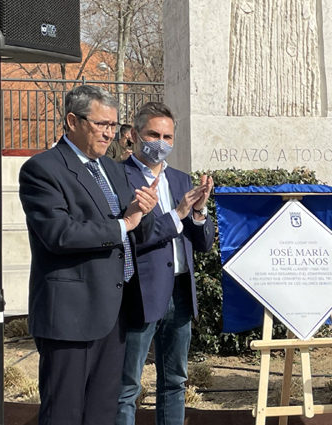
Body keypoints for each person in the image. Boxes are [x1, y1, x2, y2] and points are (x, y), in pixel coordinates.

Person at [18, 85, 159, 425]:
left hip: (113, 312)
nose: (110, 134)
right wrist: (123, 224)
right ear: (72, 120)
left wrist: (145, 210)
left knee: (101, 413)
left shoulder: (111, 170)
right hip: (70, 315)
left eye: (114, 125)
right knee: (64, 413)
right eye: (102, 125)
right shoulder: (43, 169)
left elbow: (134, 225)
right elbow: (59, 233)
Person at [116, 102, 215, 425]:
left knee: (174, 381)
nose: (161, 143)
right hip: (139, 293)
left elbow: (202, 243)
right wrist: (178, 215)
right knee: (128, 385)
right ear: (134, 135)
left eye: (168, 136)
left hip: (180, 293)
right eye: (153, 134)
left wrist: (198, 212)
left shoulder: (182, 180)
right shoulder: (119, 177)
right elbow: (133, 237)